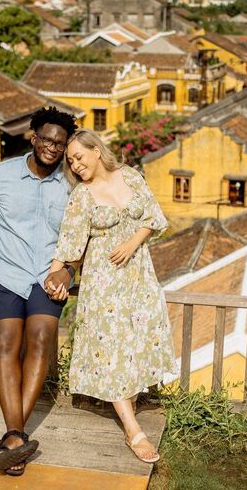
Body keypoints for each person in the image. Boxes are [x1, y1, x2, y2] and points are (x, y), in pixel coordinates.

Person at [44, 129, 177, 464]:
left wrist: (133, 242)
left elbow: (153, 218)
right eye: (70, 161)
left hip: (139, 277)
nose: (74, 165)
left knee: (135, 342)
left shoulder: (130, 175)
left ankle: (129, 403)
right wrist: (54, 272)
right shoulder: (82, 196)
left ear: (97, 151)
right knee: (112, 349)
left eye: (78, 156)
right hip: (104, 283)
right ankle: (133, 430)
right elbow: (69, 242)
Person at [0, 106, 79, 475]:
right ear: (32, 137)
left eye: (60, 143)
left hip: (47, 276)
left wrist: (68, 271)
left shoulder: (71, 185)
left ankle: (13, 438)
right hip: (5, 273)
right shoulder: (0, 176)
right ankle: (15, 436)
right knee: (6, 346)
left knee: (40, 339)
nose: (52, 147)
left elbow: (81, 237)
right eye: (47, 139)